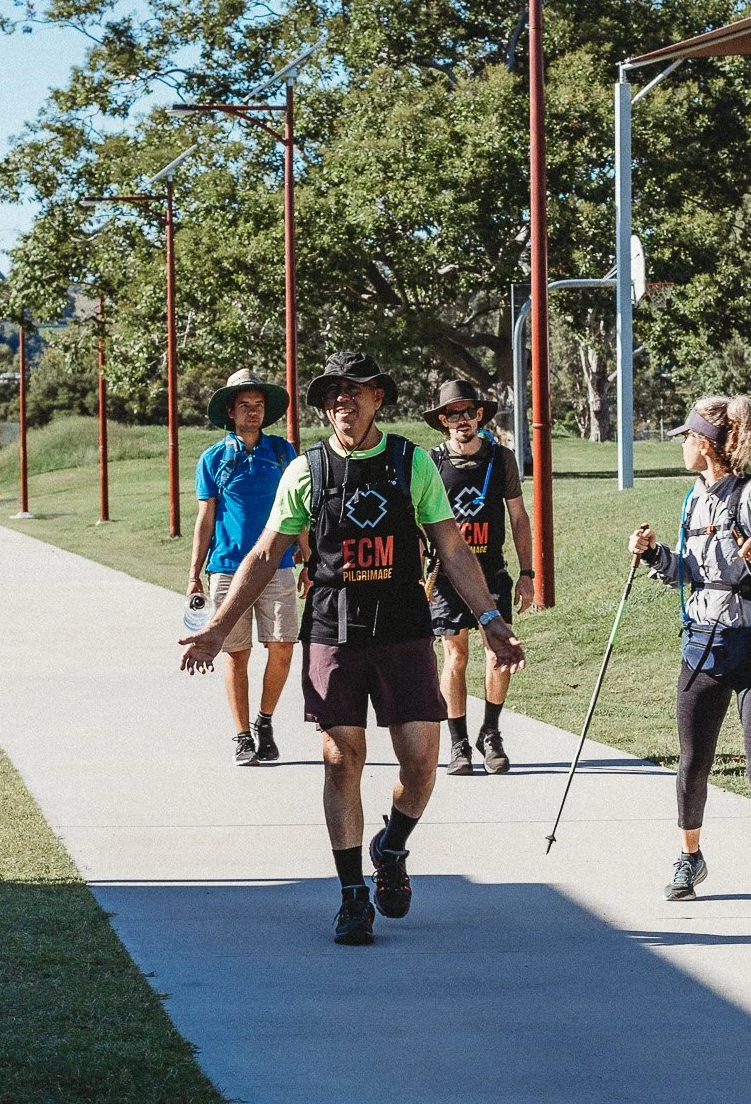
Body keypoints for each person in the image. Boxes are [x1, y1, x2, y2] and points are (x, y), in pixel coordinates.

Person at [180, 351, 525, 946]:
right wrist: (216, 626)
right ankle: (351, 897)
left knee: (420, 763)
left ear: (378, 399)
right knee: (342, 760)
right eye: (334, 392)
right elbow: (265, 555)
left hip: (402, 626)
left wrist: (491, 617)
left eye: (356, 391)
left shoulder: (411, 463)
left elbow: (451, 545)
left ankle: (391, 847)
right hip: (332, 628)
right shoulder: (305, 470)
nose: (344, 400)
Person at [628, 395, 751, 924]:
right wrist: (654, 555)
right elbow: (689, 569)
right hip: (704, 642)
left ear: (704, 443)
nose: (681, 445)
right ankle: (690, 857)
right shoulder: (691, 501)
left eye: (686, 436)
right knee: (692, 760)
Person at [422, 379, 533, 775]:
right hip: (447, 576)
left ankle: (491, 733)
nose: (462, 420)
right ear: (443, 420)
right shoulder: (431, 463)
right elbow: (418, 524)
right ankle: (458, 742)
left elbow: (519, 517)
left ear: (480, 415)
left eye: (468, 412)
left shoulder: (500, 459)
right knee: (455, 655)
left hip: (492, 573)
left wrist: (527, 573)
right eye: (453, 414)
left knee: (496, 652)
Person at [190, 368, 300, 767]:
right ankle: (241, 736)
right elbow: (205, 519)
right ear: (231, 412)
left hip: (279, 563)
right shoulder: (213, 458)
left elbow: (298, 509)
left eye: (257, 406)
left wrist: (308, 554)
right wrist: (194, 575)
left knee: (283, 647)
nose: (252, 412)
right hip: (226, 567)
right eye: (244, 406)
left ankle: (264, 720)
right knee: (236, 653)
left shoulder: (283, 452)